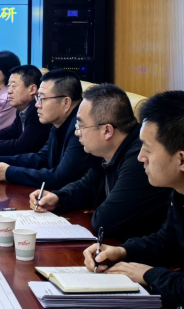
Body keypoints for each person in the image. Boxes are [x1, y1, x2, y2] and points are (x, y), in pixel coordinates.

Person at [83, 91, 184, 306]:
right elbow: (167, 241)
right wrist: (123, 251)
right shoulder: (178, 190)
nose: (140, 157)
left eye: (147, 149)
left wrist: (149, 274)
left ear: (182, 159)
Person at [29, 84, 169, 240]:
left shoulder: (139, 158)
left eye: (80, 125)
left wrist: (96, 207)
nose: (77, 132)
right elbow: (86, 187)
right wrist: (58, 198)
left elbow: (106, 221)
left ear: (107, 131)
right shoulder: (107, 150)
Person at [0, 69, 98, 188]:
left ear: (66, 103)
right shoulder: (58, 122)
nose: (37, 104)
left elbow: (59, 178)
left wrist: (8, 172)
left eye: (43, 99)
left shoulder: (80, 129)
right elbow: (42, 158)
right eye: (38, 98)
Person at [0, 65, 50, 156]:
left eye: (13, 86)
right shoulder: (21, 109)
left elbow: (21, 147)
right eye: (9, 86)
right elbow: (9, 134)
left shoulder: (38, 111)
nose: (9, 91)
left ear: (32, 89)